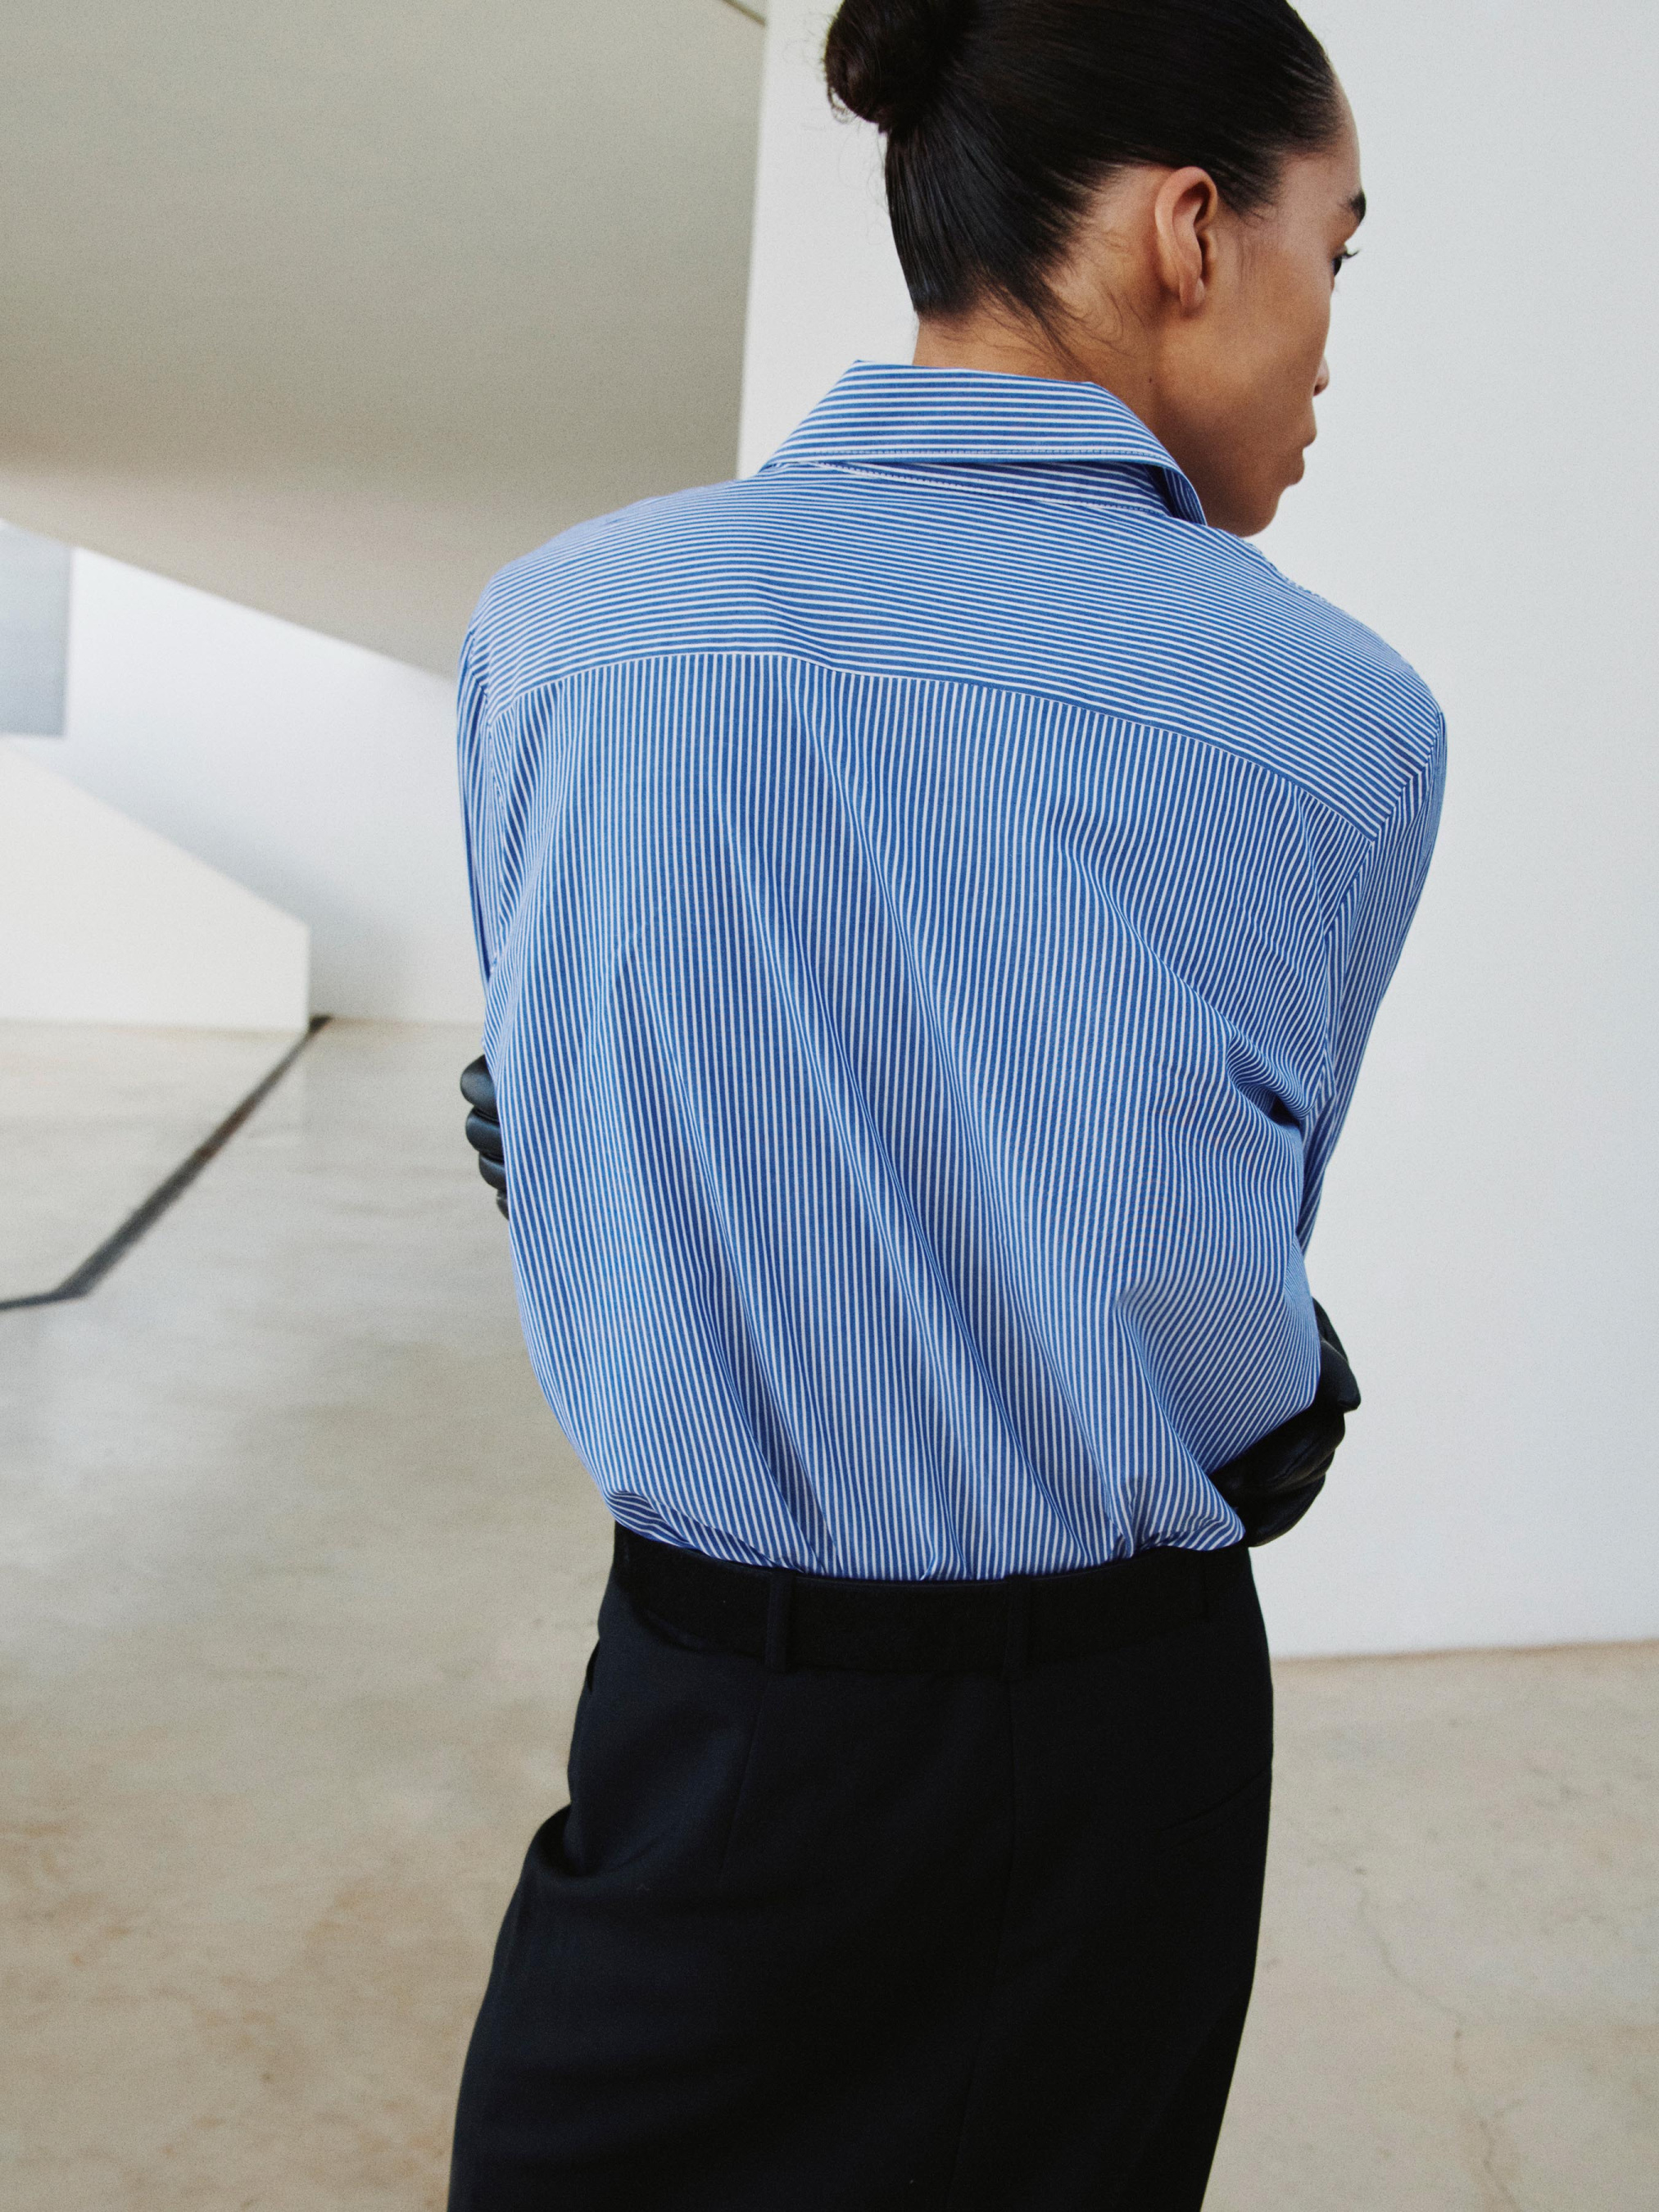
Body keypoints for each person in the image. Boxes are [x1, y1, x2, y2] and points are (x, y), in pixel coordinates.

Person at [446, 1, 1444, 2205]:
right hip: (1122, 1738)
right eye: (1335, 252)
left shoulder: (564, 631)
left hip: (708, 1701)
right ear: (1192, 230)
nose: (1327, 343)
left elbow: (558, 1128)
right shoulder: (1345, 718)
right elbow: (1232, 1269)